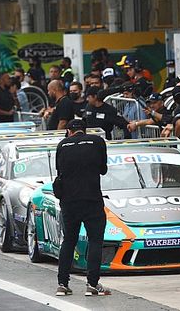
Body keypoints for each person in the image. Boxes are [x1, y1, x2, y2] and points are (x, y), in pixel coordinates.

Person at [54, 118, 110, 296]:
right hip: (92, 198)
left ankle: (62, 284)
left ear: (69, 131)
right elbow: (103, 169)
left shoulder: (62, 145)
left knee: (69, 241)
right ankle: (92, 284)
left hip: (69, 201)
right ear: (84, 130)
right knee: (95, 241)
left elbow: (59, 172)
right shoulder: (97, 141)